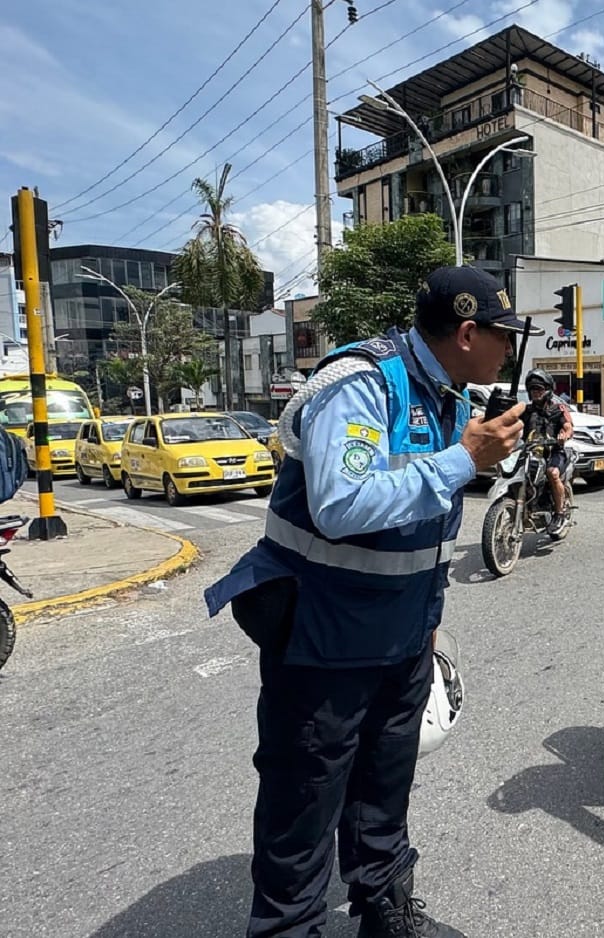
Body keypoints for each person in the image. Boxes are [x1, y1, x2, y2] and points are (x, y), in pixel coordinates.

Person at [204, 266, 537, 938]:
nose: (508, 349)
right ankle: (287, 929)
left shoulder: (448, 397)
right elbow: (340, 505)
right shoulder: (361, 383)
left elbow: (428, 536)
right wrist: (461, 460)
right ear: (467, 332)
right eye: (502, 335)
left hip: (403, 638)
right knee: (304, 800)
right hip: (324, 641)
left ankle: (382, 905)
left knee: (384, 789)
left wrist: (432, 623)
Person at [521, 368, 574, 533]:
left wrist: (564, 435)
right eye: (532, 389)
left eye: (539, 389)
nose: (535, 392)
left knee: (552, 473)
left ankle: (559, 514)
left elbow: (568, 427)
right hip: (530, 452)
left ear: (548, 390)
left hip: (554, 452)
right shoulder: (526, 411)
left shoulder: (558, 409)